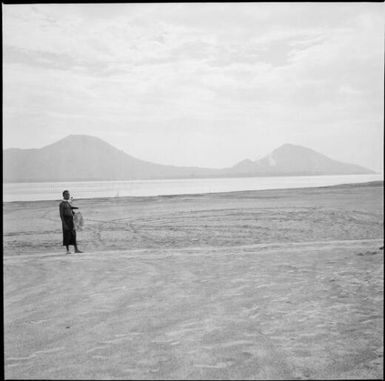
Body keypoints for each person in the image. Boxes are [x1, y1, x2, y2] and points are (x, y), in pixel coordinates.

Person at [59, 190, 83, 254]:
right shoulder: (62, 204)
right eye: (66, 195)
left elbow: (70, 208)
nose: (68, 195)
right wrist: (64, 224)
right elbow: (61, 215)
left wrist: (75, 208)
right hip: (66, 221)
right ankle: (67, 250)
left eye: (68, 194)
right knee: (67, 235)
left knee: (74, 235)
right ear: (63, 195)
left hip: (71, 221)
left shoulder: (67, 202)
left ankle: (76, 249)